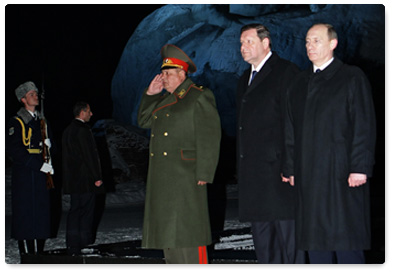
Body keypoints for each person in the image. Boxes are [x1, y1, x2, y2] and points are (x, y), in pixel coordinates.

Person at [282, 23, 376, 264]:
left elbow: (363, 125)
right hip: (309, 177)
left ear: (333, 44)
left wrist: (360, 167)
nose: (309, 46)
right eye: (307, 41)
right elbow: (290, 129)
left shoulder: (351, 77)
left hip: (341, 175)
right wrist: (290, 167)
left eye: (316, 41)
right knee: (315, 244)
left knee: (346, 243)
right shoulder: (299, 83)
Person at [137, 44, 221, 264]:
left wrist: (204, 171)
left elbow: (210, 136)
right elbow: (143, 120)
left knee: (189, 234)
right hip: (164, 179)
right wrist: (150, 94)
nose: (163, 78)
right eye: (162, 73)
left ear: (182, 74)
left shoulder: (198, 96)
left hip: (186, 176)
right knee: (170, 237)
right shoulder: (164, 100)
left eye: (167, 74)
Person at [236, 23, 304, 263]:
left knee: (290, 246)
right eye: (242, 43)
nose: (243, 47)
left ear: (266, 43)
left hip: (279, 176)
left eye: (249, 42)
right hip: (255, 179)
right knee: (265, 248)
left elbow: (294, 123)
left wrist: (291, 166)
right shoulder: (245, 77)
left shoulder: (286, 72)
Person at [6, 81, 54, 257]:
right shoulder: (16, 122)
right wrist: (38, 164)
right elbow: (15, 150)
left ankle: (38, 254)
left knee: (40, 213)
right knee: (25, 214)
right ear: (23, 99)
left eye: (36, 93)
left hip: (40, 173)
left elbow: (49, 144)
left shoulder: (41, 120)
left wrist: (49, 148)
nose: (36, 96)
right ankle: (27, 255)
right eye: (31, 94)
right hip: (26, 174)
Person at [62, 101, 104, 255]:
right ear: (82, 112)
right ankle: (83, 241)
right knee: (86, 210)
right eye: (89, 111)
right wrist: (96, 176)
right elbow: (89, 155)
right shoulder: (83, 130)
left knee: (74, 210)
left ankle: (72, 243)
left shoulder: (68, 130)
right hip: (85, 179)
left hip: (73, 179)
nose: (91, 114)